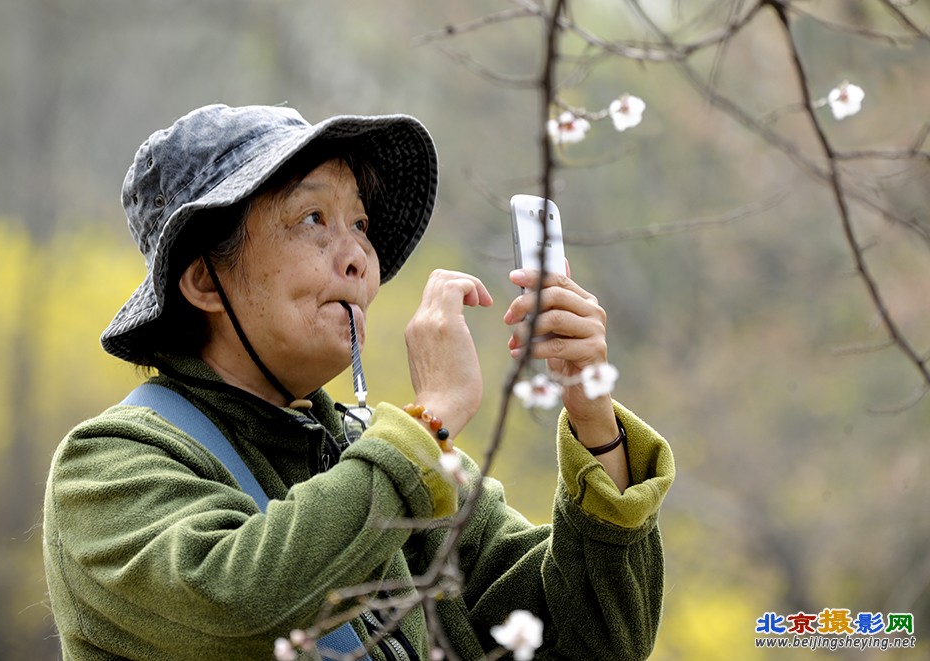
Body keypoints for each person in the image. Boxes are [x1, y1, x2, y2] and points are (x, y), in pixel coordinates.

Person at [42, 103, 675, 660]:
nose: (357, 256)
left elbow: (595, 641)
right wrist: (429, 420)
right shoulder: (107, 466)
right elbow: (239, 606)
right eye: (312, 218)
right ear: (206, 280)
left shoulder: (375, 454)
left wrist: (594, 423)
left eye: (360, 224)